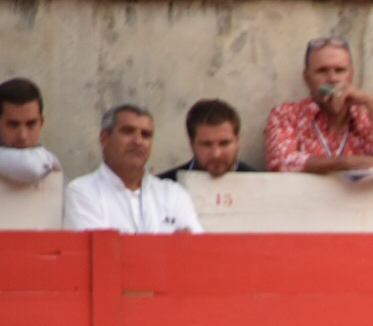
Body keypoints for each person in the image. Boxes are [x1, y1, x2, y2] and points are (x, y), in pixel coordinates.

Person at [265, 36, 373, 177]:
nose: (332, 79)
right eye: (322, 71)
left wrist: (372, 104)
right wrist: (348, 162)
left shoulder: (366, 118)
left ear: (350, 76)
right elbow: (282, 162)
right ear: (307, 78)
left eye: (339, 70)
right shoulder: (287, 114)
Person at [63, 105, 202, 234]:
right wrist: (170, 246)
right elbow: (99, 254)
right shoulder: (82, 192)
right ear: (104, 139)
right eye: (128, 132)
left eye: (146, 134)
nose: (138, 141)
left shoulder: (173, 194)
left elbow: (197, 251)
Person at [158, 99, 260, 181]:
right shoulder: (163, 188)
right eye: (206, 144)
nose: (216, 154)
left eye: (224, 143)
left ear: (238, 140)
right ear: (191, 143)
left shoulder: (262, 186)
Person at [0, 77, 61, 185]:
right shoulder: (44, 161)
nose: (23, 136)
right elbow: (31, 168)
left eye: (31, 124)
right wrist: (49, 160)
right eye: (13, 125)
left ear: (41, 123)